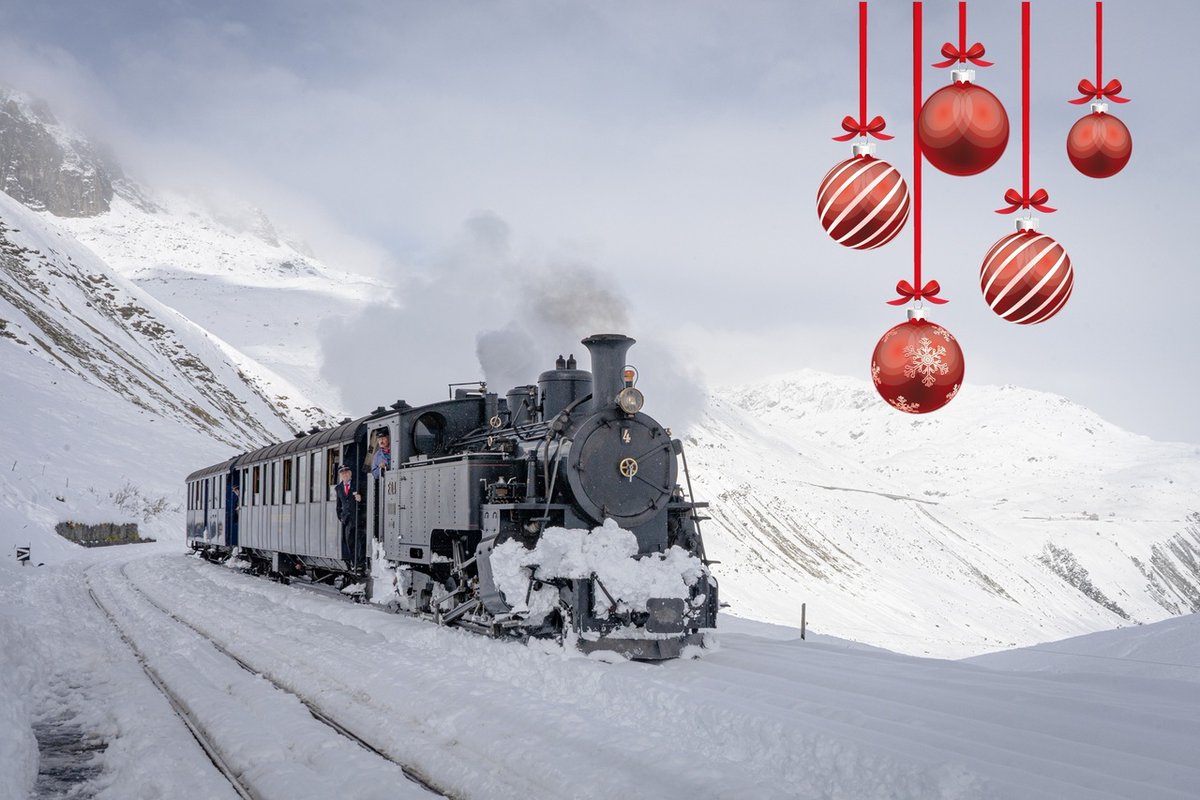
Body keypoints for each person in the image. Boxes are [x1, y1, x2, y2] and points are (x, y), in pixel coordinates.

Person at [334, 464, 362, 567]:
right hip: (347, 519)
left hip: (358, 517)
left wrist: (360, 499)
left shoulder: (358, 484)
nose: (345, 474)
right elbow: (338, 505)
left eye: (346, 472)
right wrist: (341, 517)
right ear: (340, 475)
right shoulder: (338, 488)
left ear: (350, 474)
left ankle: (359, 563)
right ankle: (354, 562)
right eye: (342, 473)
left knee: (359, 541)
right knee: (349, 541)